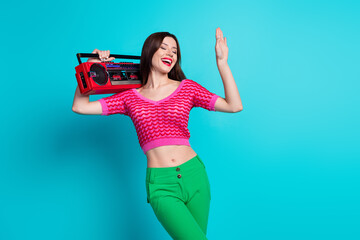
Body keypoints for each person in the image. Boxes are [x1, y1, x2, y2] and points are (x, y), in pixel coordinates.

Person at [72, 27, 243, 240]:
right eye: (164, 48)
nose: (170, 53)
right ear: (149, 51)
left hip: (194, 175)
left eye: (174, 51)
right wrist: (92, 67)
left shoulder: (187, 88)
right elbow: (80, 107)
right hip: (162, 185)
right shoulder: (129, 97)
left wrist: (222, 64)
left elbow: (234, 105)